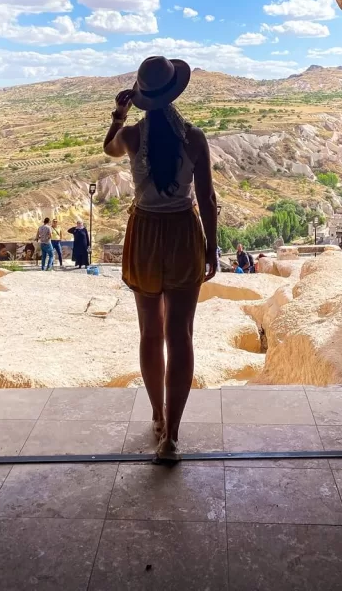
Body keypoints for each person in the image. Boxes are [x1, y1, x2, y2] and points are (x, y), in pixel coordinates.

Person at [103, 55, 217, 463]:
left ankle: (156, 414)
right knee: (180, 334)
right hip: (184, 233)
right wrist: (212, 248)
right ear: (175, 93)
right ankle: (173, 435)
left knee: (150, 332)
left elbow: (108, 148)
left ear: (142, 97)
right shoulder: (194, 138)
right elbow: (206, 198)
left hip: (146, 234)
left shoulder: (132, 137)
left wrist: (119, 113)